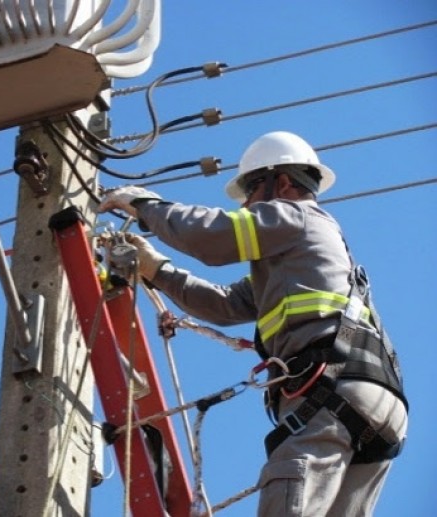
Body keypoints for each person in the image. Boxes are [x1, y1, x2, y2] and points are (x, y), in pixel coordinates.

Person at [98, 131, 408, 516]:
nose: (246, 203)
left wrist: (147, 206)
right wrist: (158, 270)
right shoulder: (300, 257)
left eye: (249, 189)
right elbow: (224, 304)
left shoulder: (296, 216)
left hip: (330, 391)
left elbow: (212, 236)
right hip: (373, 402)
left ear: (280, 182)